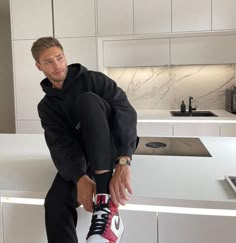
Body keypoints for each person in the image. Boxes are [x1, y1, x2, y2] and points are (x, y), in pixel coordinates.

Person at [31, 37, 138, 243]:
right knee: (54, 204)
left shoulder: (93, 80)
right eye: (48, 62)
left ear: (65, 56)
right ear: (39, 66)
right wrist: (79, 177)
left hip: (111, 150)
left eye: (59, 58)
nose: (57, 66)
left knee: (87, 100)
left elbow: (125, 111)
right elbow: (60, 144)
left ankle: (106, 207)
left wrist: (124, 159)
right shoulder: (46, 107)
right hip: (83, 159)